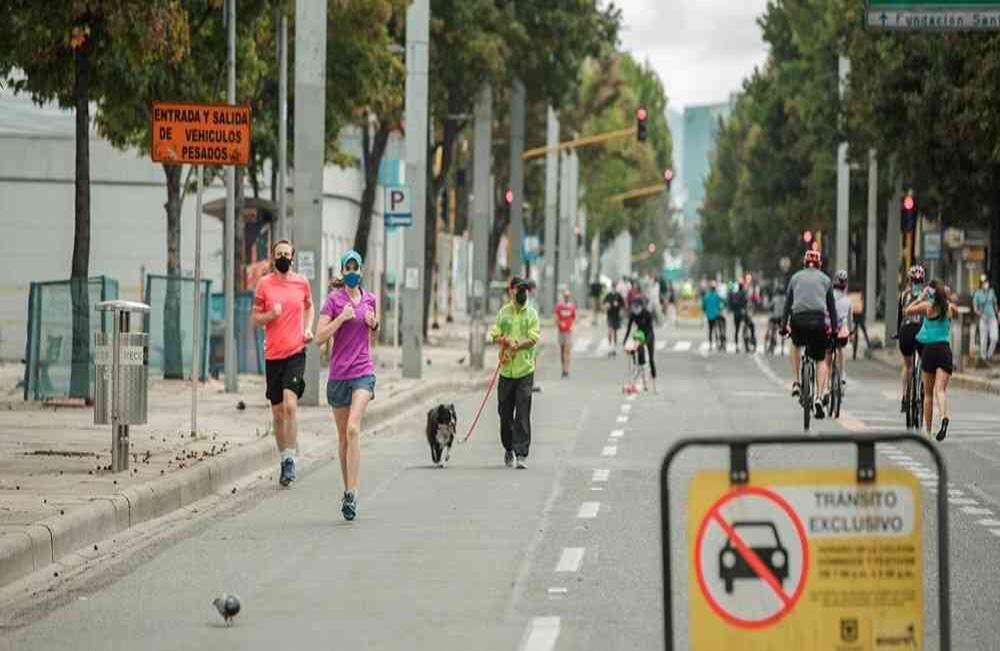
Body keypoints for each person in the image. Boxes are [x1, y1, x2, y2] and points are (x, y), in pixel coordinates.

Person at [315, 250, 379, 521]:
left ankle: (353, 493)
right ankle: (347, 489)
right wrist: (341, 318)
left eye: (356, 266)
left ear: (361, 270)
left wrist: (374, 324)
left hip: (363, 373)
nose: (352, 270)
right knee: (343, 438)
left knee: (353, 428)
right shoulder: (333, 301)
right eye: (347, 267)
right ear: (342, 271)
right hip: (338, 375)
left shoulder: (371, 299)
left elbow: (374, 331)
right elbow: (319, 338)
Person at [251, 240, 314, 487]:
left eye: (287, 254)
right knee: (277, 413)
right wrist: (270, 315)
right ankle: (283, 458)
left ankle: (291, 459)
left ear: (293, 257)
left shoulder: (302, 283)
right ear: (273, 257)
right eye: (279, 254)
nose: (283, 258)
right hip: (273, 356)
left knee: (290, 405)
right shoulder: (264, 284)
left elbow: (309, 307)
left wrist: (307, 329)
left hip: (296, 352)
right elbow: (255, 319)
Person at [489, 276, 540, 469]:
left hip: (525, 370)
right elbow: (493, 335)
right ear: (511, 291)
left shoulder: (532, 314)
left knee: (523, 411)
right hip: (506, 371)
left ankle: (521, 453)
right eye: (518, 290)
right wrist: (505, 340)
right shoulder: (504, 312)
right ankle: (508, 447)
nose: (521, 294)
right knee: (504, 412)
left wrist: (519, 344)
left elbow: (534, 337)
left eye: (524, 291)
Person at [782, 249, 837, 419]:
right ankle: (819, 397)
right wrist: (834, 330)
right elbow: (831, 309)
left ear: (804, 264)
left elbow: (787, 304)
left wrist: (784, 326)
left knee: (795, 344)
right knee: (821, 359)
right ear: (819, 265)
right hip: (818, 321)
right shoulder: (826, 280)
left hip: (798, 321)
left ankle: (797, 382)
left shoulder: (795, 278)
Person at [904, 280, 958, 441]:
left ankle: (928, 432)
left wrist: (920, 297)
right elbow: (954, 310)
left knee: (927, 394)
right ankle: (943, 417)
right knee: (940, 390)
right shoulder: (949, 308)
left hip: (929, 351)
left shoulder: (927, 307)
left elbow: (907, 311)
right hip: (945, 351)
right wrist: (947, 297)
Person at [897, 265, 926, 414]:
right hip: (922, 332)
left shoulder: (903, 295)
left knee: (907, 365)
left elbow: (900, 319)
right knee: (924, 363)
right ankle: (921, 391)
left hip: (906, 332)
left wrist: (898, 334)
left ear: (909, 280)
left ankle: (904, 397)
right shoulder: (927, 295)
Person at [826, 270, 853, 402]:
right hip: (842, 333)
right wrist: (851, 332)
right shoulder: (848, 300)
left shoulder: (828, 297)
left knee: (828, 355)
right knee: (841, 350)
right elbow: (850, 320)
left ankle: (827, 384)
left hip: (830, 331)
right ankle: (842, 375)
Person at [624, 296, 657, 392]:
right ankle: (639, 373)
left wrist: (646, 341)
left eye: (637, 307)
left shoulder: (647, 314)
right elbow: (629, 327)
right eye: (633, 307)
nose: (635, 309)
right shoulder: (633, 314)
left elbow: (650, 329)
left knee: (651, 359)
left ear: (641, 306)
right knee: (636, 352)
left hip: (649, 335)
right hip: (639, 335)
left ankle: (654, 382)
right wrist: (625, 340)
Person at [973, 274, 998, 364]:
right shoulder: (977, 293)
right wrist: (981, 315)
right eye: (983, 282)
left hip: (992, 318)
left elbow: (995, 303)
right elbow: (975, 308)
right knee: (983, 340)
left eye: (986, 282)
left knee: (994, 338)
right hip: (983, 319)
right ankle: (983, 358)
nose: (985, 283)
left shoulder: (991, 292)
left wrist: (997, 314)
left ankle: (989, 355)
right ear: (980, 283)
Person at [554, 288, 577, 378]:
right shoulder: (559, 306)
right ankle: (563, 368)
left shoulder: (572, 306)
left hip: (568, 332)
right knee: (562, 351)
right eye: (565, 296)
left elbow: (574, 317)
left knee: (567, 351)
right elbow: (556, 318)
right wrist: (559, 323)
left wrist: (572, 326)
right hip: (561, 331)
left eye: (568, 296)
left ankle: (567, 370)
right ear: (563, 296)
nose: (566, 297)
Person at [728, 280, 755, 351]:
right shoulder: (744, 294)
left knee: (737, 330)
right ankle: (752, 337)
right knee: (751, 325)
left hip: (736, 315)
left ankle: (736, 346)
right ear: (742, 287)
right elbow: (747, 304)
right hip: (743, 314)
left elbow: (731, 305)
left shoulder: (735, 295)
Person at [603, 284, 625, 355]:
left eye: (614, 287)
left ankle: (614, 346)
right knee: (610, 330)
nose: (613, 289)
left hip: (616, 315)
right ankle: (610, 345)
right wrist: (607, 304)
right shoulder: (608, 295)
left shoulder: (618, 295)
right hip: (609, 315)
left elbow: (623, 304)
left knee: (615, 332)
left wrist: (618, 304)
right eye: (612, 287)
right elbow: (604, 302)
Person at [702, 281, 724, 349]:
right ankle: (717, 342)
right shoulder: (717, 295)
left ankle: (711, 344)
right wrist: (721, 308)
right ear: (714, 288)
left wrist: (705, 311)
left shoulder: (706, 296)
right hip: (716, 315)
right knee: (717, 329)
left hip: (709, 316)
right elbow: (723, 302)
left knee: (710, 330)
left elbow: (703, 306)